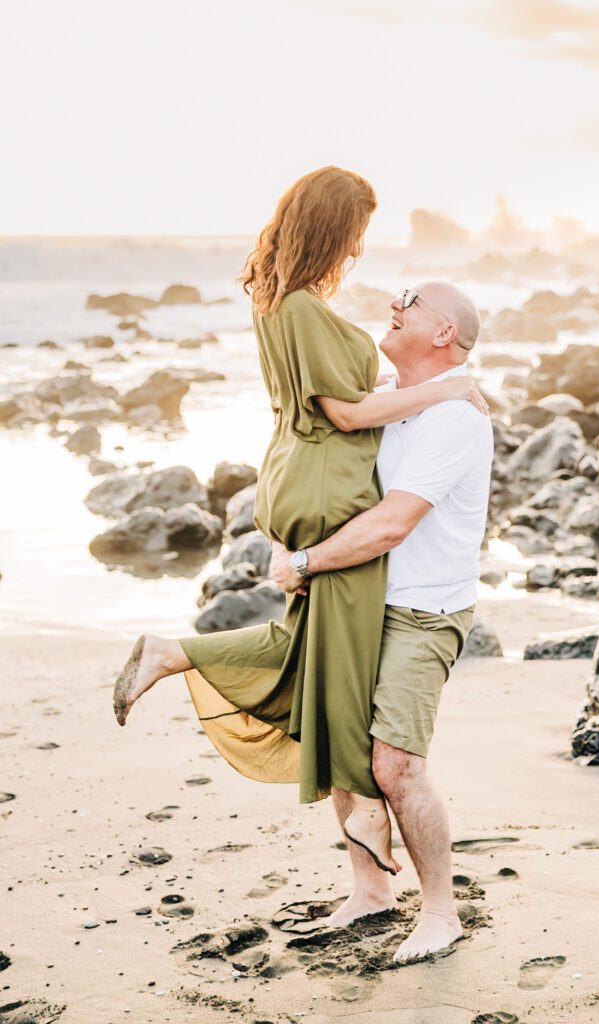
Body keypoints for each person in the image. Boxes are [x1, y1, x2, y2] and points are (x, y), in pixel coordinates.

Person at [112, 166, 488, 877]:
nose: (359, 250)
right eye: (357, 232)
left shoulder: (276, 300)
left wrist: (423, 391)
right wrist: (447, 389)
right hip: (323, 485)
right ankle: (367, 813)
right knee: (331, 666)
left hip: (297, 474)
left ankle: (178, 656)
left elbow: (340, 404)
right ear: (333, 226)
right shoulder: (306, 310)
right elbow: (344, 414)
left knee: (313, 656)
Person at [269, 280, 494, 961]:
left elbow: (393, 523)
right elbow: (314, 456)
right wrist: (282, 534)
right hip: (357, 598)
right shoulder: (386, 402)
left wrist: (305, 562)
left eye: (412, 300)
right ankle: (370, 892)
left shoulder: (454, 419)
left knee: (395, 766)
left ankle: (441, 912)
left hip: (423, 609)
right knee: (343, 747)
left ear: (444, 334)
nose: (395, 305)